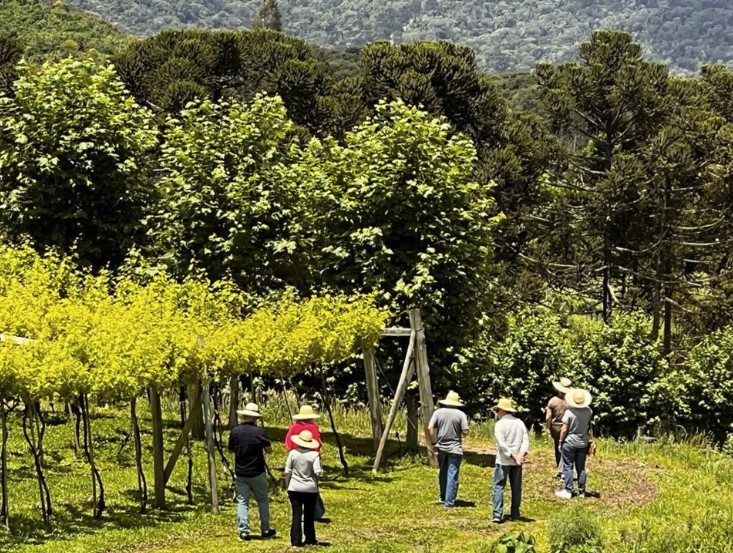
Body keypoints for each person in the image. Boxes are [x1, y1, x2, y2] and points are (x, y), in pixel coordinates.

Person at [227, 403, 277, 541]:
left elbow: (231, 449)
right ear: (255, 417)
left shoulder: (235, 431)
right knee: (262, 499)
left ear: (243, 415)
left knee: (242, 501)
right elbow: (269, 450)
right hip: (257, 470)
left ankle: (244, 531)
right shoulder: (259, 431)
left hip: (241, 471)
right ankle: (265, 529)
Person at [428, 391, 469, 508]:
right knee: (452, 473)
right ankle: (449, 502)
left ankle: (443, 496)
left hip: (441, 447)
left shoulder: (438, 412)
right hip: (455, 449)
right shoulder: (461, 415)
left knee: (443, 472)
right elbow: (465, 431)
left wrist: (433, 442)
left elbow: (430, 428)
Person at [492, 398, 530, 524]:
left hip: (503, 461)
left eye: (498, 410)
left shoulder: (499, 424)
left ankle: (497, 514)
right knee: (516, 488)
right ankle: (515, 513)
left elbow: (501, 444)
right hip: (517, 462)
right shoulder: (519, 423)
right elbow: (525, 440)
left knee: (499, 486)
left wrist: (514, 455)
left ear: (502, 410)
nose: (497, 412)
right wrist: (521, 454)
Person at [285, 405, 326, 520]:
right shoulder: (313, 428)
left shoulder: (293, 428)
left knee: (297, 484)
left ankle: (303, 512)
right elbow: (317, 445)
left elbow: (288, 444)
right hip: (311, 459)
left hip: (295, 458)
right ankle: (315, 512)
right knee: (312, 484)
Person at [284, 430, 323, 547]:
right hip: (310, 489)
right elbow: (317, 472)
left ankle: (295, 541)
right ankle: (310, 538)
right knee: (309, 515)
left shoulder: (293, 453)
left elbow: (287, 471)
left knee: (296, 514)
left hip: (294, 488)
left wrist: (287, 485)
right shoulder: (314, 455)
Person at [555, 388, 593, 500]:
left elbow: (564, 429)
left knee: (568, 466)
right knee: (581, 468)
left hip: (570, 441)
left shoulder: (569, 412)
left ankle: (568, 490)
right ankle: (582, 492)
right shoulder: (588, 411)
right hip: (583, 442)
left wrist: (560, 441)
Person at [546, 377, 572, 478]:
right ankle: (567, 468)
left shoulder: (553, 401)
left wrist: (548, 427)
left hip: (556, 426)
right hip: (568, 426)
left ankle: (560, 469)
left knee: (558, 448)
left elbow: (548, 416)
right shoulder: (571, 401)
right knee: (567, 448)